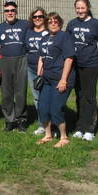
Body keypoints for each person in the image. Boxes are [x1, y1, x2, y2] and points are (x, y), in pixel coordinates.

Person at [66, 0, 98, 141]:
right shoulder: (71, 24)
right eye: (77, 8)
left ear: (88, 8)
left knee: (89, 97)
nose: (80, 10)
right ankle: (80, 127)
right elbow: (67, 43)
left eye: (82, 7)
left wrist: (95, 61)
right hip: (75, 66)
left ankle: (90, 129)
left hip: (90, 66)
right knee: (79, 96)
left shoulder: (95, 23)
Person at [36, 13, 75, 148]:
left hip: (61, 78)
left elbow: (69, 58)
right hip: (47, 79)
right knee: (42, 108)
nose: (53, 23)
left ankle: (64, 137)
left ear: (60, 23)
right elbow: (41, 56)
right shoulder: (44, 38)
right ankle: (48, 135)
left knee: (55, 109)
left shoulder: (64, 37)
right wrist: (39, 72)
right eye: (50, 21)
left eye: (56, 21)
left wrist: (63, 80)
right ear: (46, 23)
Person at [0, 0, 29, 132]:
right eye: (7, 10)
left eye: (12, 10)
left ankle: (21, 119)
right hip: (5, 62)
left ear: (16, 11)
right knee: (6, 93)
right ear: (4, 12)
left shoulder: (25, 25)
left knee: (20, 92)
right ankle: (9, 120)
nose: (10, 13)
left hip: (21, 60)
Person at [25, 8, 48, 135]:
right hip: (31, 69)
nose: (37, 19)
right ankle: (42, 124)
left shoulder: (49, 32)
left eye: (40, 16)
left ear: (44, 17)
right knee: (37, 98)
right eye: (35, 17)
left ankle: (51, 123)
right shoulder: (29, 32)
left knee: (47, 97)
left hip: (47, 69)